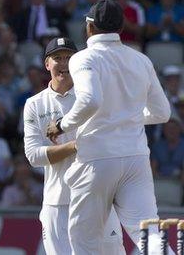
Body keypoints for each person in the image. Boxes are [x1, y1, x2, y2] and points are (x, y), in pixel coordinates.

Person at [45, 0, 172, 254]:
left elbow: (91, 100)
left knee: (85, 241)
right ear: (121, 26)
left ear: (89, 27)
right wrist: (127, 116)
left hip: (97, 159)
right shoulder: (141, 60)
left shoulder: (83, 58)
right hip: (135, 158)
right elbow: (162, 113)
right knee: (148, 235)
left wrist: (62, 124)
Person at [24, 37, 124, 254]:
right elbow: (34, 156)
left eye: (69, 58)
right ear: (47, 64)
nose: (63, 63)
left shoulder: (93, 97)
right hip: (57, 202)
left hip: (97, 198)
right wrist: (75, 146)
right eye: (57, 58)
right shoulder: (35, 104)